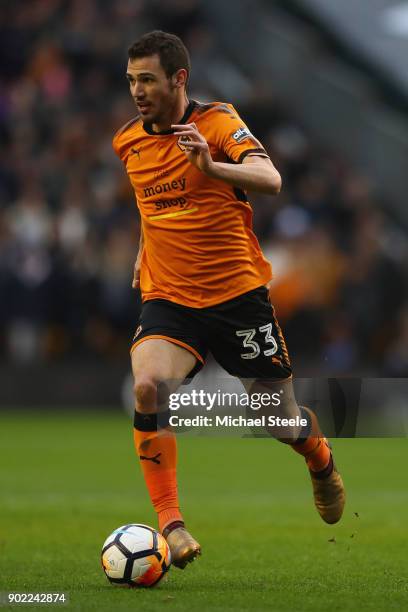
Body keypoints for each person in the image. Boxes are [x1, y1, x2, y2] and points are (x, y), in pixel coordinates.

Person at [112, 30, 345, 569]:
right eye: (131, 81)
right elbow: (155, 201)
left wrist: (213, 168)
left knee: (279, 422)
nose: (138, 91)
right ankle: (171, 523)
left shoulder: (217, 123)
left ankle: (319, 456)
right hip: (170, 297)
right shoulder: (128, 141)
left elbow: (271, 178)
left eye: (147, 79)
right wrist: (145, 246)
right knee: (148, 386)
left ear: (179, 79)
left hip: (238, 297)